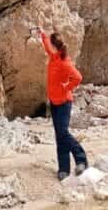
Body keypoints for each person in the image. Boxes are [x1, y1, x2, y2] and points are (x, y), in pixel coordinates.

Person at [37, 26, 88, 180]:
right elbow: (47, 47)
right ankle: (64, 168)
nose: (48, 49)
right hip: (54, 102)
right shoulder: (53, 56)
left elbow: (78, 77)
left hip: (64, 103)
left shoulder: (64, 62)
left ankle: (81, 160)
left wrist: (67, 87)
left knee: (63, 134)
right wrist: (42, 35)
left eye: (50, 46)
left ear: (55, 47)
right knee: (60, 135)